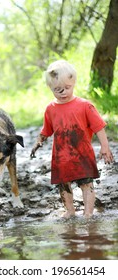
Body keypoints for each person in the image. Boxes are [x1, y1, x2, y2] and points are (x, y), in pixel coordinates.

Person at [30, 59, 113, 219]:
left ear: (73, 82)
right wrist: (37, 143)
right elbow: (46, 130)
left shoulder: (85, 106)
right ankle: (70, 211)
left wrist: (105, 147)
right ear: (50, 88)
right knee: (63, 185)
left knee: (86, 184)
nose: (63, 92)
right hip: (61, 157)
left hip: (82, 154)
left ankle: (88, 213)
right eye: (57, 89)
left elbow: (99, 127)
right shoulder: (50, 109)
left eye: (67, 88)